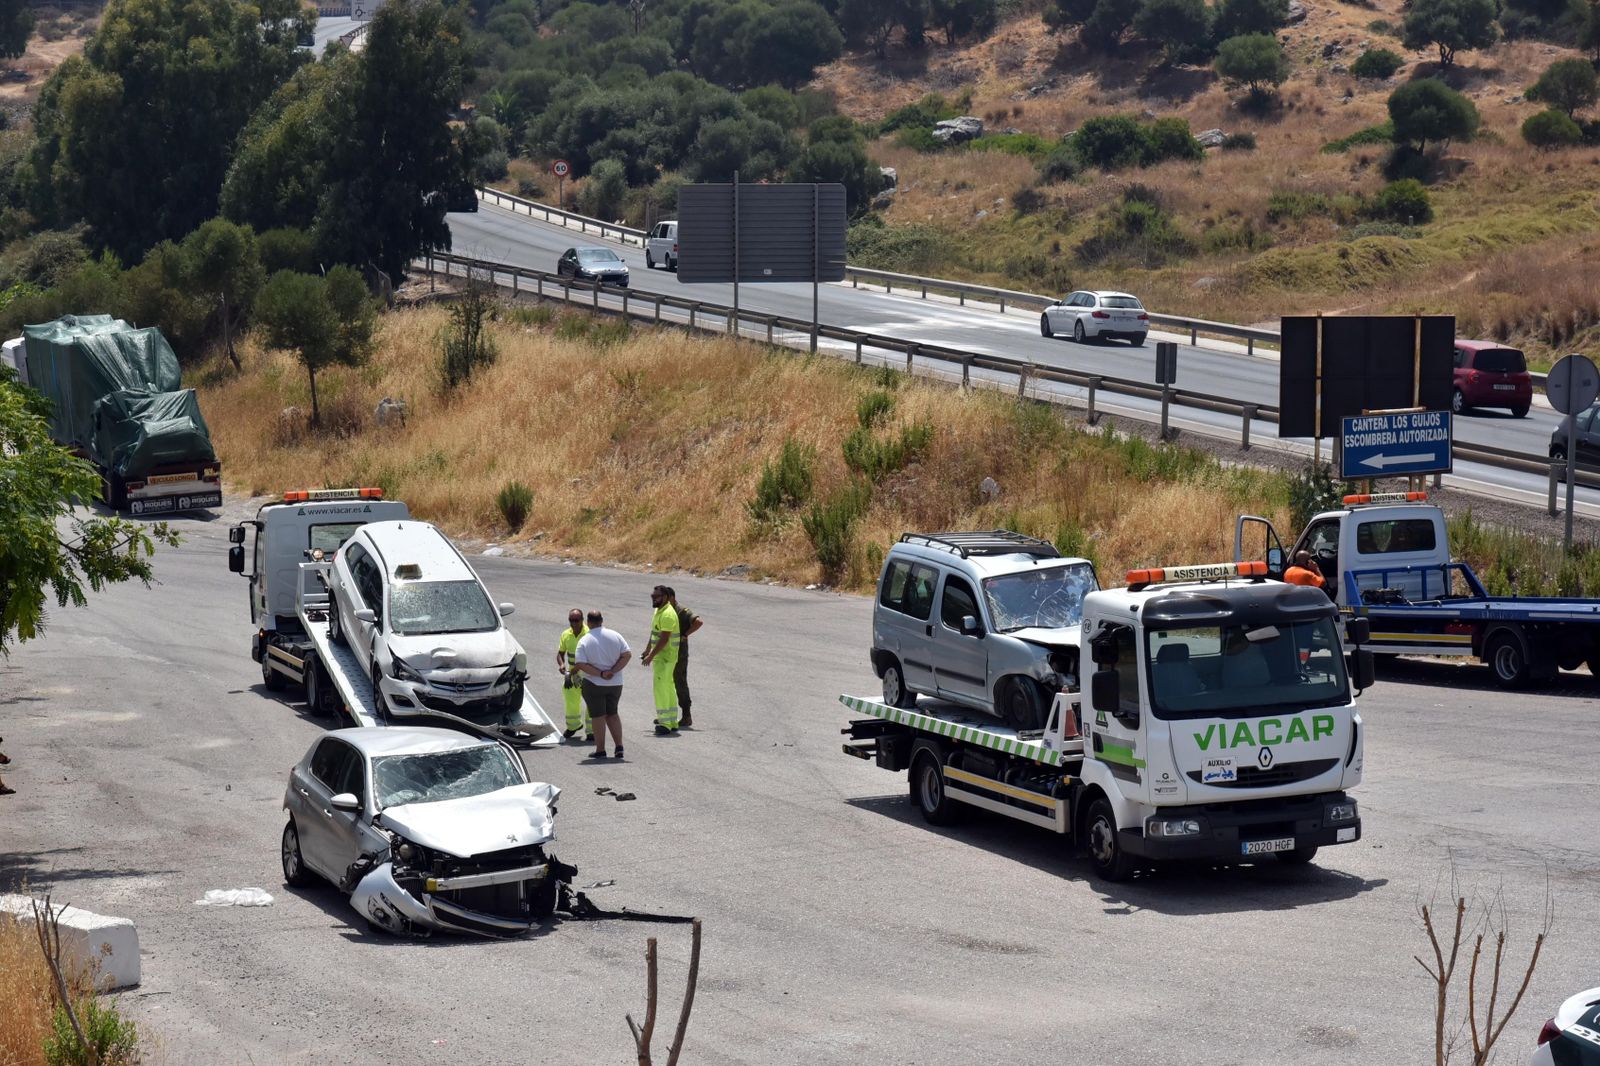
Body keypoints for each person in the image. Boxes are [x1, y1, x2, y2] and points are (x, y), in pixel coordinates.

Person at [573, 610, 631, 760]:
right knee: (612, 713)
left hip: (594, 683)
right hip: (616, 683)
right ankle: (619, 747)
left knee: (598, 716)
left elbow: (580, 663)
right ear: (602, 620)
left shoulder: (585, 640)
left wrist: (600, 674)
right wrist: (613, 671)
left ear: (588, 622)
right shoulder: (615, 635)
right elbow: (627, 654)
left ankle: (600, 749)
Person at [641, 585, 681, 735]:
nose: (653, 599)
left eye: (656, 597)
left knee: (660, 688)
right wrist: (647, 648)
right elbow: (654, 632)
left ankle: (665, 723)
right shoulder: (658, 610)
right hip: (663, 657)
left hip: (665, 658)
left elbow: (664, 639)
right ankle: (672, 720)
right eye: (652, 596)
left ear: (664, 597)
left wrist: (650, 656)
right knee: (668, 687)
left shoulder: (668, 614)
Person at [665, 587, 703, 729]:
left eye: (664, 597)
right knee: (667, 683)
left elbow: (698, 622)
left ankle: (686, 715)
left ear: (672, 598)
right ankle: (668, 714)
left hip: (679, 654)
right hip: (668, 653)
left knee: (679, 681)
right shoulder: (664, 610)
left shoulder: (681, 611)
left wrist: (685, 635)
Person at [556, 609, 591, 742]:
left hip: (588, 674)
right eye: (571, 620)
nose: (574, 623)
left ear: (582, 620)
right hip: (572, 674)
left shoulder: (589, 634)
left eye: (577, 620)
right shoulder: (566, 634)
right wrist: (561, 665)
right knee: (570, 697)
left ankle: (592, 731)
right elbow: (560, 653)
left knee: (591, 701)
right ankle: (573, 725)